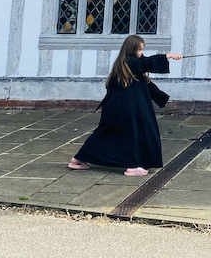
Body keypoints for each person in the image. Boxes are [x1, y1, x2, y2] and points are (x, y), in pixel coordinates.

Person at [68, 35, 182, 176]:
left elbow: (146, 85)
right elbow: (148, 62)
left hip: (117, 109)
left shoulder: (126, 65)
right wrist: (169, 56)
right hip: (127, 111)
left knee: (107, 134)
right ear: (132, 49)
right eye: (140, 49)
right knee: (133, 135)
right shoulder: (130, 62)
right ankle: (132, 166)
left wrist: (161, 97)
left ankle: (78, 159)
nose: (141, 53)